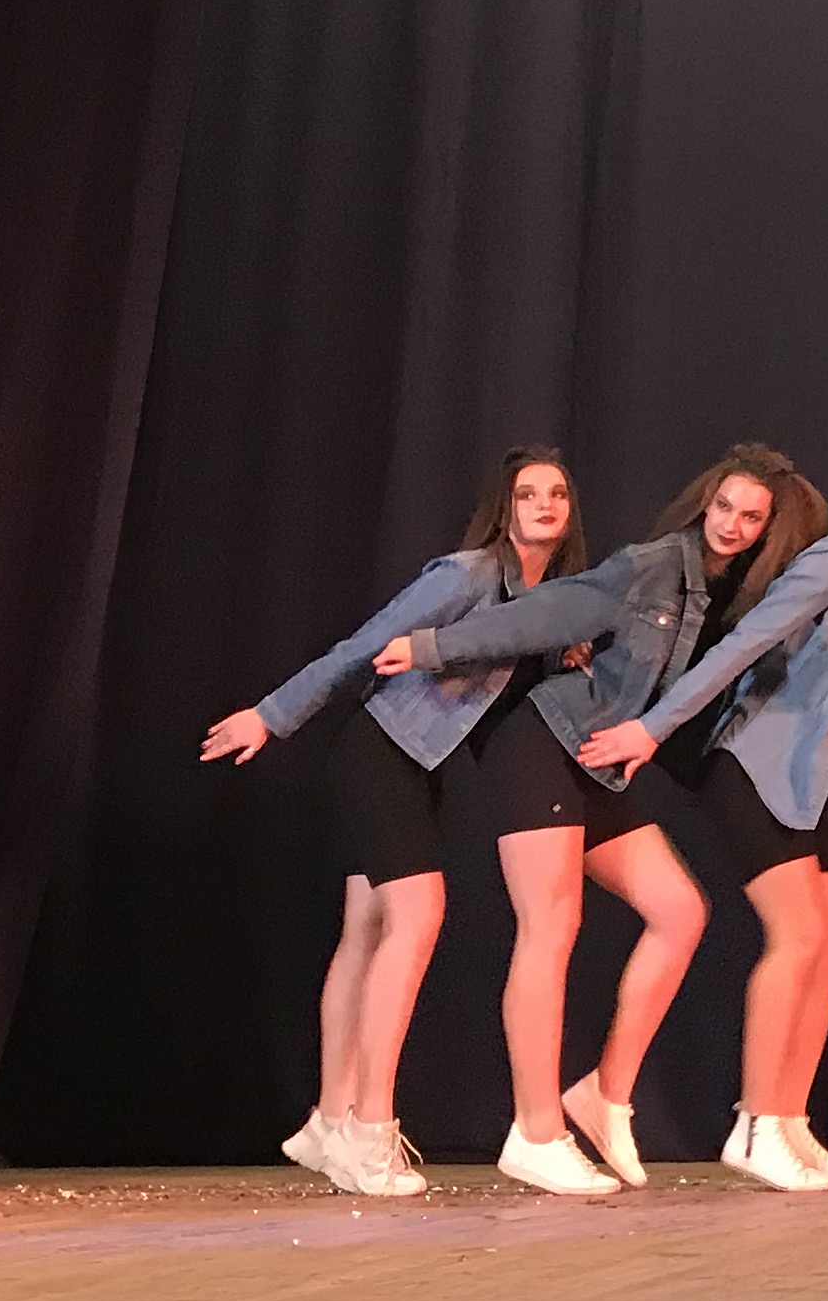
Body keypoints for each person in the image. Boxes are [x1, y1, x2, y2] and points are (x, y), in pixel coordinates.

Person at [362, 444, 814, 1195]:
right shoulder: (652, 566)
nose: (731, 525)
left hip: (597, 761)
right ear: (705, 503)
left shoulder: (741, 592)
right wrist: (433, 645)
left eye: (750, 517)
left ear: (769, 527)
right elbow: (546, 614)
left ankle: (602, 1093)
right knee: (552, 925)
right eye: (724, 507)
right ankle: (535, 1132)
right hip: (543, 745)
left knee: (680, 912)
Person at [196, 446, 591, 1199]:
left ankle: (328, 1120)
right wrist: (271, 715)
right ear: (504, 508)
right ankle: (369, 1131)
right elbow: (362, 645)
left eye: (557, 495)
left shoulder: (547, 599)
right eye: (527, 494)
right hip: (379, 755)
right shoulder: (467, 575)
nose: (544, 505)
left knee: (367, 931)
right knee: (418, 916)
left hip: (416, 765)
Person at [579, 443, 828, 1194]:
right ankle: (757, 1125)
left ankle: (789, 1122)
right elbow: (743, 647)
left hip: (809, 778)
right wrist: (652, 729)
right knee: (799, 938)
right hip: (754, 766)